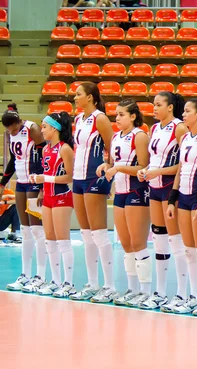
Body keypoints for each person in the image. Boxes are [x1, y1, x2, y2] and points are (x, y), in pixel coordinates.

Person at [164, 99, 197, 315]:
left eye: (187, 111)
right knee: (189, 251)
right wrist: (172, 199)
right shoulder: (185, 137)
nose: (183, 114)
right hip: (183, 197)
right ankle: (194, 296)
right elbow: (181, 169)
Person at [96, 99, 151, 306]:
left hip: (137, 190)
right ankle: (132, 288)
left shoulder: (140, 136)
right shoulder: (116, 137)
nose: (117, 118)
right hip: (120, 192)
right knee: (126, 244)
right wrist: (105, 165)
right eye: (116, 115)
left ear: (133, 116)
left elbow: (144, 167)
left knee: (138, 243)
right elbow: (112, 162)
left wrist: (118, 168)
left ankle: (145, 290)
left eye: (121, 114)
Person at [135, 92, 187, 310]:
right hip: (154, 187)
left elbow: (185, 164)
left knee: (176, 241)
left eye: (158, 105)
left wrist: (157, 172)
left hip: (170, 187)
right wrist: (145, 170)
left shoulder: (180, 128)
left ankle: (183, 294)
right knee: (159, 238)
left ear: (171, 107)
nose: (154, 108)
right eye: (153, 104)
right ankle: (161, 292)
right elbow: (153, 160)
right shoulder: (154, 129)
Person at [68, 83, 115, 302]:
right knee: (86, 233)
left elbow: (112, 149)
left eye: (78, 94)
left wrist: (110, 176)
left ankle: (110, 285)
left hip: (94, 177)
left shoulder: (100, 118)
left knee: (98, 232)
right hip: (77, 178)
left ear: (90, 97)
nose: (74, 97)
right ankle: (93, 283)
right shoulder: (78, 120)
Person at [29, 112, 75, 297]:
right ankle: (56, 281)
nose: (42, 130)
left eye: (45, 127)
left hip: (62, 196)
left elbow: (69, 177)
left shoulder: (65, 149)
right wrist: (40, 185)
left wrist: (45, 178)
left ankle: (68, 283)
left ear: (55, 128)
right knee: (50, 240)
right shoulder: (46, 149)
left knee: (62, 240)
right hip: (47, 196)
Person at [2, 104, 47, 291]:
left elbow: (45, 155)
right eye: (9, 131)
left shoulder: (32, 129)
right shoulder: (10, 135)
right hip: (20, 181)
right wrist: (3, 182)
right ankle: (25, 275)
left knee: (37, 230)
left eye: (14, 128)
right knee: (26, 231)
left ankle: (41, 276)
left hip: (35, 181)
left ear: (18, 122)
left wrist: (44, 185)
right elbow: (14, 159)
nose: (12, 132)